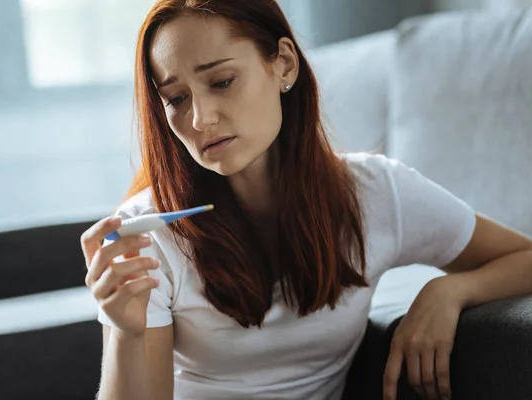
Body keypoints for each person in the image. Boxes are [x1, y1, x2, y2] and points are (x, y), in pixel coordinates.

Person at [81, 1, 532, 399]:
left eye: (221, 81)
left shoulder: (377, 195)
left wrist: (450, 290)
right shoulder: (151, 235)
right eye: (176, 98)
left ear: (284, 65)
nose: (200, 118)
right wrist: (125, 330)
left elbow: (524, 257)